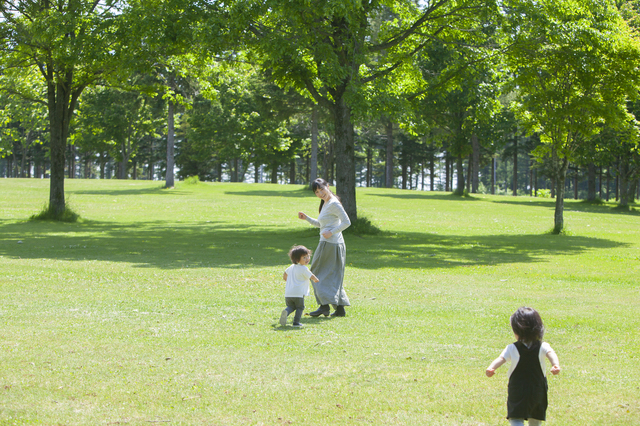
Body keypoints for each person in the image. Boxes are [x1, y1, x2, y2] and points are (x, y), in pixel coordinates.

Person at [486, 307, 561, 426]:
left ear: (517, 331)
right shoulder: (543, 346)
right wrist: (555, 365)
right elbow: (551, 353)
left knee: (515, 417)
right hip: (537, 389)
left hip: (517, 388)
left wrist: (491, 367)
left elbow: (501, 358)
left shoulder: (512, 348)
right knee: (536, 418)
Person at [297, 178, 351, 317]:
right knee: (332, 275)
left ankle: (324, 306)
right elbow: (323, 225)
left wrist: (331, 232)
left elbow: (347, 222)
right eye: (317, 192)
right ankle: (339, 309)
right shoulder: (327, 203)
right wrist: (307, 218)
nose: (320, 193)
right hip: (332, 243)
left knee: (316, 272)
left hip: (330, 243)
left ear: (328, 186)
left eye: (322, 189)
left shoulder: (333, 203)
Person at [280, 245, 319, 328]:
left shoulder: (290, 267)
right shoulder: (304, 268)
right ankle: (296, 322)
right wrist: (315, 279)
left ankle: (286, 312)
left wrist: (290, 281)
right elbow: (311, 276)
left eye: (308, 256)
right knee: (300, 307)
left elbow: (284, 276)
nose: (307, 259)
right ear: (297, 259)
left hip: (288, 293)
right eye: (304, 257)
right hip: (298, 293)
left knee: (291, 306)